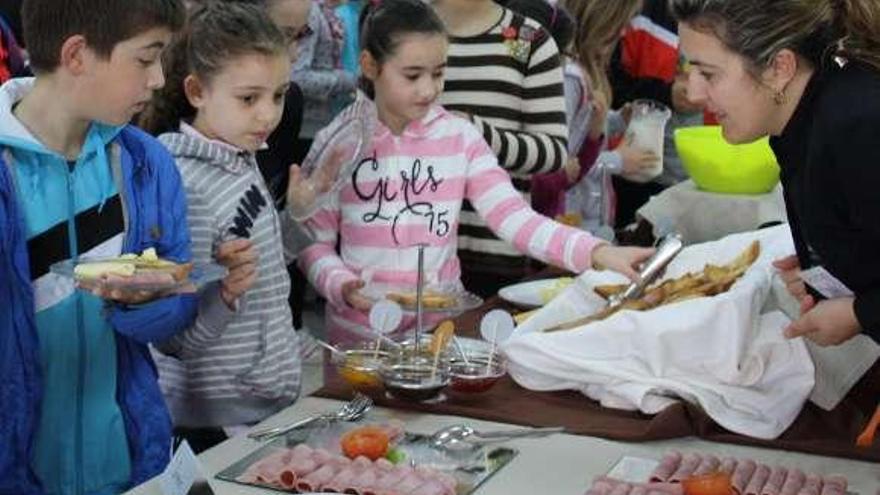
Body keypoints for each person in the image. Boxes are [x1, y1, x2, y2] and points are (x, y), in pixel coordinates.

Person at [297, 0, 654, 344]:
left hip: (435, 334)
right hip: (357, 337)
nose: (428, 89)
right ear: (370, 65)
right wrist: (339, 283)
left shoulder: (460, 138)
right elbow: (313, 241)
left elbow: (516, 219)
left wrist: (597, 252)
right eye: (412, 75)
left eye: (438, 74)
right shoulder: (339, 142)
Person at [0, 0, 197, 492]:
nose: (157, 80)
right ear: (77, 55)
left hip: (126, 462)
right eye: (146, 58)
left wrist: (148, 302)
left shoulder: (145, 162)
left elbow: (180, 293)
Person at [140, 2, 311, 452]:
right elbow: (172, 337)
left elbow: (265, 269)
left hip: (256, 408)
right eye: (249, 98)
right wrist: (225, 296)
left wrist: (298, 217)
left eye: (278, 95)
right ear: (197, 91)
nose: (267, 116)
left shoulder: (238, 156)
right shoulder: (187, 184)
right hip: (211, 424)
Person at [670, 0, 880, 347]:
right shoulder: (804, 122)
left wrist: (860, 313)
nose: (693, 92)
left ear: (779, 67)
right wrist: (834, 258)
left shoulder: (858, 124)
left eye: (708, 74)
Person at [431, 0, 569, 296]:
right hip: (406, 241)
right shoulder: (407, 27)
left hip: (493, 243)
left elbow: (553, 152)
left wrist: (476, 133)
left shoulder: (527, 39)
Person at [559, 0, 658, 234]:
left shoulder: (588, 68)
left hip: (595, 219)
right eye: (621, 23)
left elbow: (583, 127)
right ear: (602, 20)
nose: (624, 32)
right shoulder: (570, 80)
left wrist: (617, 120)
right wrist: (619, 161)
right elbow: (564, 165)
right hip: (571, 223)